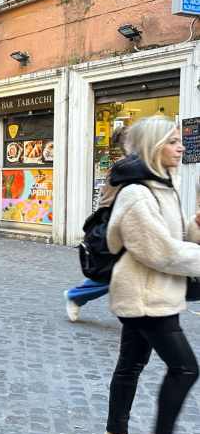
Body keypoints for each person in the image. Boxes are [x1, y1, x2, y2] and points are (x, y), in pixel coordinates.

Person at [100, 116, 199, 434]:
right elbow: (161, 252)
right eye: (173, 141)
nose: (182, 146)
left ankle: (115, 433)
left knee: (130, 364)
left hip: (155, 291)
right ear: (154, 147)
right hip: (144, 295)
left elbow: (174, 240)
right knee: (186, 368)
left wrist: (195, 226)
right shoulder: (137, 194)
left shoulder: (163, 185)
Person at [64, 126, 130, 322]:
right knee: (115, 273)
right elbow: (107, 202)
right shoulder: (123, 168)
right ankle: (76, 295)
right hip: (117, 227)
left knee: (122, 273)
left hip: (128, 226)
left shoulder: (137, 165)